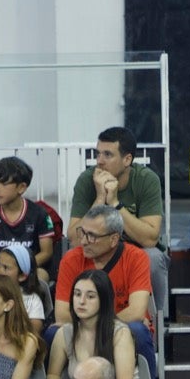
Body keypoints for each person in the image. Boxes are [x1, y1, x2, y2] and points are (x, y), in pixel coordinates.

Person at [67, 126, 168, 309]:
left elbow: (150, 239)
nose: (99, 161)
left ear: (127, 159)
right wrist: (100, 198)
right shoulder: (86, 180)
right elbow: (74, 239)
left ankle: (158, 319)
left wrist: (115, 203)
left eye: (107, 155)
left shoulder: (146, 180)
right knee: (72, 256)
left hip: (135, 249)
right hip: (98, 247)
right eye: (98, 154)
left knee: (152, 257)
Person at [53, 206, 155, 368]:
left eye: (92, 236)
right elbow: (62, 315)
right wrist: (95, 329)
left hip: (121, 328)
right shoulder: (71, 259)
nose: (83, 241)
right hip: (84, 330)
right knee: (53, 333)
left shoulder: (136, 257)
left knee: (138, 330)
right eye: (82, 232)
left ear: (114, 239)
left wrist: (95, 326)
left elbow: (136, 312)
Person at [46, 270, 141, 379]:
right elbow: (52, 375)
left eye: (90, 296)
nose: (81, 301)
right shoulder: (64, 333)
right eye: (77, 294)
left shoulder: (120, 333)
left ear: (104, 300)